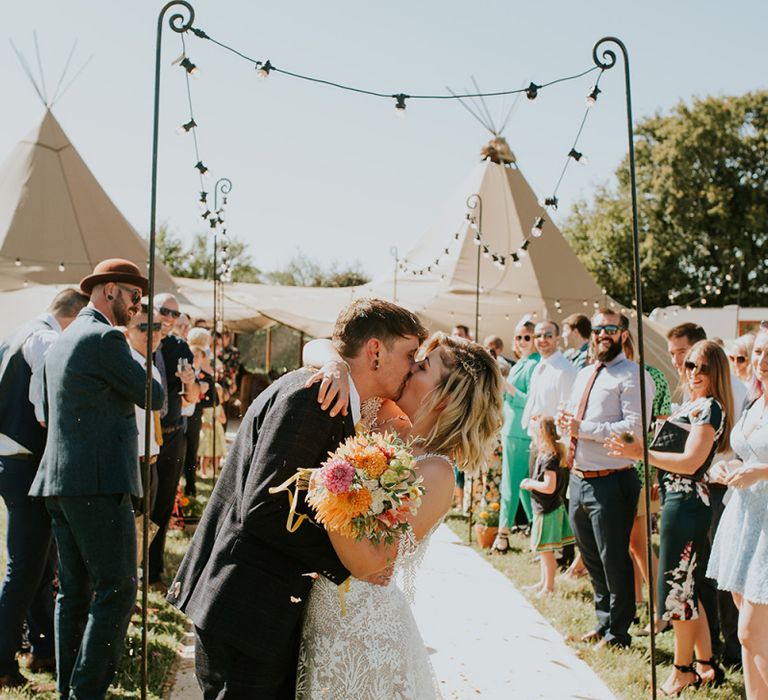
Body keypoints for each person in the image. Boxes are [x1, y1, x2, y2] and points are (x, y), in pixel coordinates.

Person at [167, 298, 428, 698]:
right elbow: (264, 508)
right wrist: (349, 562)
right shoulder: (315, 398)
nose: (413, 367)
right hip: (246, 610)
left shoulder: (336, 396)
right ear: (375, 351)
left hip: (256, 608)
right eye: (410, 354)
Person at [296, 331, 503, 698]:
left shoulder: (437, 473)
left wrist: (323, 487)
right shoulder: (380, 412)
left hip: (363, 630)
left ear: (446, 396)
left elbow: (370, 561)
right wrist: (335, 364)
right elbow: (316, 345)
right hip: (319, 608)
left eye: (422, 366)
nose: (408, 369)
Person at [28, 259, 165, 699]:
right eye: (133, 297)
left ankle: (72, 689)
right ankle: (86, 692)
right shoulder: (106, 337)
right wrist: (138, 348)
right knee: (118, 589)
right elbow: (155, 394)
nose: (137, 308)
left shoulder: (64, 340)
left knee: (74, 593)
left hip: (61, 481)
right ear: (109, 290)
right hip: (98, 483)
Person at [608, 339, 732, 694]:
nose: (693, 373)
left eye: (702, 368)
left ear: (716, 373)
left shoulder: (709, 409)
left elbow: (692, 462)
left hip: (689, 503)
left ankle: (682, 669)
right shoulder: (690, 405)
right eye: (689, 365)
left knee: (674, 592)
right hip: (677, 501)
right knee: (685, 588)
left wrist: (641, 453)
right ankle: (705, 664)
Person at [0, 288, 88, 689]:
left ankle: (42, 648)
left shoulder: (16, 333)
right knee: (25, 568)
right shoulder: (49, 339)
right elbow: (49, 405)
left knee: (38, 561)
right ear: (73, 317)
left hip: (10, 457)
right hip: (28, 462)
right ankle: (2, 660)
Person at [557, 309, 653, 649]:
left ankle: (619, 633)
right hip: (580, 479)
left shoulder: (633, 376)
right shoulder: (585, 373)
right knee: (592, 557)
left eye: (609, 329)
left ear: (624, 334)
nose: (602, 335)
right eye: (597, 329)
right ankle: (603, 621)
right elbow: (574, 414)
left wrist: (584, 429)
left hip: (612, 481)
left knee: (614, 559)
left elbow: (634, 430)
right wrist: (565, 419)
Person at [667, 322, 745, 662]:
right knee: (699, 576)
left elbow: (736, 445)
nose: (690, 369)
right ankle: (708, 652)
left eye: (686, 356)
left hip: (721, 489)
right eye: (686, 363)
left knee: (722, 572)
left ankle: (731, 647)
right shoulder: (690, 395)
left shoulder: (732, 394)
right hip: (696, 487)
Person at [708, 326, 768, 698]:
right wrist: (724, 468)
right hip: (744, 519)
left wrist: (760, 472)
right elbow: (745, 451)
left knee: (750, 631)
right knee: (750, 637)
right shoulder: (754, 399)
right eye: (760, 352)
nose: (763, 362)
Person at [149, 292, 200, 592]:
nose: (169, 318)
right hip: (144, 440)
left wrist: (191, 381)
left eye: (174, 314)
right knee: (142, 504)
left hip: (172, 434)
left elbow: (191, 398)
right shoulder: (140, 339)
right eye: (164, 311)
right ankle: (135, 571)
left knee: (164, 506)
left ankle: (153, 573)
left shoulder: (180, 347)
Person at [622, 330, 671, 634]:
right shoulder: (604, 375)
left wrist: (655, 471)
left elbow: (664, 432)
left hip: (642, 470)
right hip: (620, 470)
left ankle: (661, 611)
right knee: (630, 543)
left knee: (640, 544)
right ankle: (640, 602)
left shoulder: (653, 378)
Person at [492, 319, 539, 553]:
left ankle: (502, 535)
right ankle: (536, 530)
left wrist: (507, 387)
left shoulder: (534, 364)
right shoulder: (523, 363)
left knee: (511, 486)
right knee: (521, 486)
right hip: (512, 430)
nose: (522, 342)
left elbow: (530, 401)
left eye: (527, 337)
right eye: (518, 337)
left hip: (521, 432)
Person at [520, 416, 575, 597]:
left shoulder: (549, 458)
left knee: (547, 552)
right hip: (543, 509)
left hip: (548, 510)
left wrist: (530, 483)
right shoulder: (546, 455)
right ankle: (543, 583)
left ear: (542, 435)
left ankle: (549, 588)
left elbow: (549, 487)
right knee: (544, 551)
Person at [124, 307, 164, 517]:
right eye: (144, 327)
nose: (153, 333)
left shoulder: (151, 366)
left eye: (156, 326)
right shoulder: (127, 363)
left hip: (150, 457)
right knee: (132, 527)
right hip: (133, 460)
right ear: (127, 332)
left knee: (143, 524)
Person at [198, 384, 227, 476]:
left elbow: (224, 420)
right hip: (207, 430)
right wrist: (205, 424)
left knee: (216, 454)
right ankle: (204, 472)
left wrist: (218, 418)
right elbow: (199, 419)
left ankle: (215, 472)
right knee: (206, 454)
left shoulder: (220, 407)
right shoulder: (205, 405)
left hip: (217, 431)